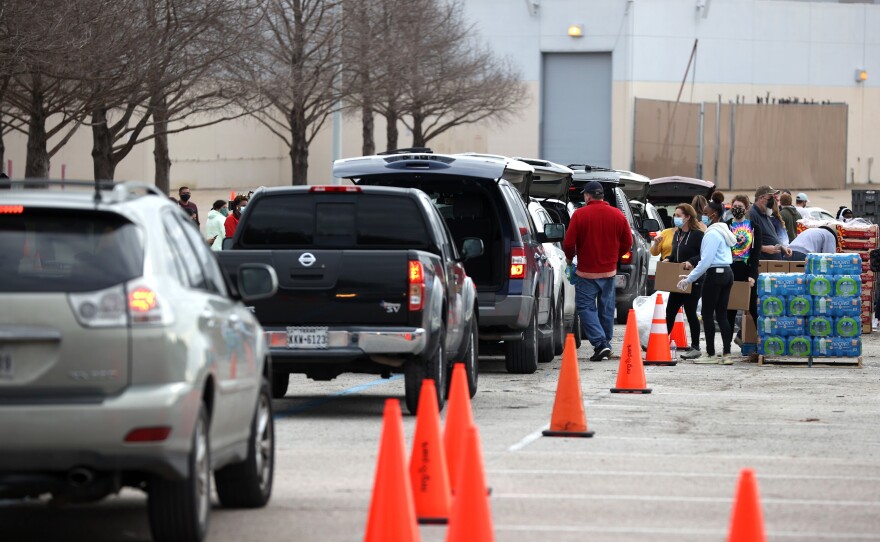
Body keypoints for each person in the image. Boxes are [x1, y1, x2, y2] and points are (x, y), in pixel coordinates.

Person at [563, 181, 633, 362]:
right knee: (607, 308)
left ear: (587, 196)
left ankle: (601, 344)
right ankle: (605, 342)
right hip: (609, 272)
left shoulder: (580, 215)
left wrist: (570, 258)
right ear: (602, 195)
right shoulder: (618, 215)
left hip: (586, 272)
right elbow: (628, 242)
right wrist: (614, 256)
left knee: (586, 306)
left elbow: (569, 243)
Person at [677, 201, 737, 364]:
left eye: (705, 212)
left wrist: (689, 278)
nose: (702, 215)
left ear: (714, 215)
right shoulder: (725, 231)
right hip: (727, 273)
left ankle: (710, 353)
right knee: (722, 314)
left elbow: (705, 261)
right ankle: (726, 354)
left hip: (715, 275)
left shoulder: (711, 234)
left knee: (707, 314)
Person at [662, 204, 705, 360]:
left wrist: (691, 261)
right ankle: (660, 341)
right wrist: (668, 259)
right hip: (678, 278)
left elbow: (704, 256)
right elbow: (675, 255)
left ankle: (695, 347)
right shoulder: (677, 234)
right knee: (670, 311)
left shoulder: (698, 235)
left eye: (679, 215)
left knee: (691, 311)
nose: (676, 218)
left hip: (694, 279)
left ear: (687, 217)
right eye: (675, 215)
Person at [726, 195, 762, 362]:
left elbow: (755, 254)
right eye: (735, 205)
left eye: (740, 206)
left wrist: (752, 275)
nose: (737, 208)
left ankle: (762, 344)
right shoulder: (726, 226)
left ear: (746, 208)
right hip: (730, 270)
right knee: (729, 311)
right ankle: (726, 348)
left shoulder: (754, 227)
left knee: (753, 309)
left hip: (747, 271)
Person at [749, 185, 792, 260]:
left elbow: (770, 237)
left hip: (774, 264)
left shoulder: (765, 215)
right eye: (770, 197)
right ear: (761, 198)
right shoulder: (752, 214)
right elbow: (746, 242)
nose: (773, 201)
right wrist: (764, 248)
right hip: (763, 264)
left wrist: (781, 247)